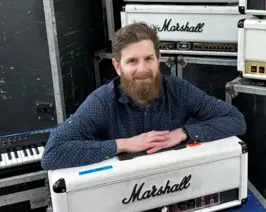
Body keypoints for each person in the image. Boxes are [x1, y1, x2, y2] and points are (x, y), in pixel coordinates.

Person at [40, 22, 246, 170]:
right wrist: (125, 144)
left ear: (159, 60)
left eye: (149, 59)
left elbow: (235, 120)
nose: (142, 69)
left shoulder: (179, 90)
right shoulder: (102, 101)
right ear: (117, 66)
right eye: (132, 61)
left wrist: (183, 133)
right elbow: (53, 153)